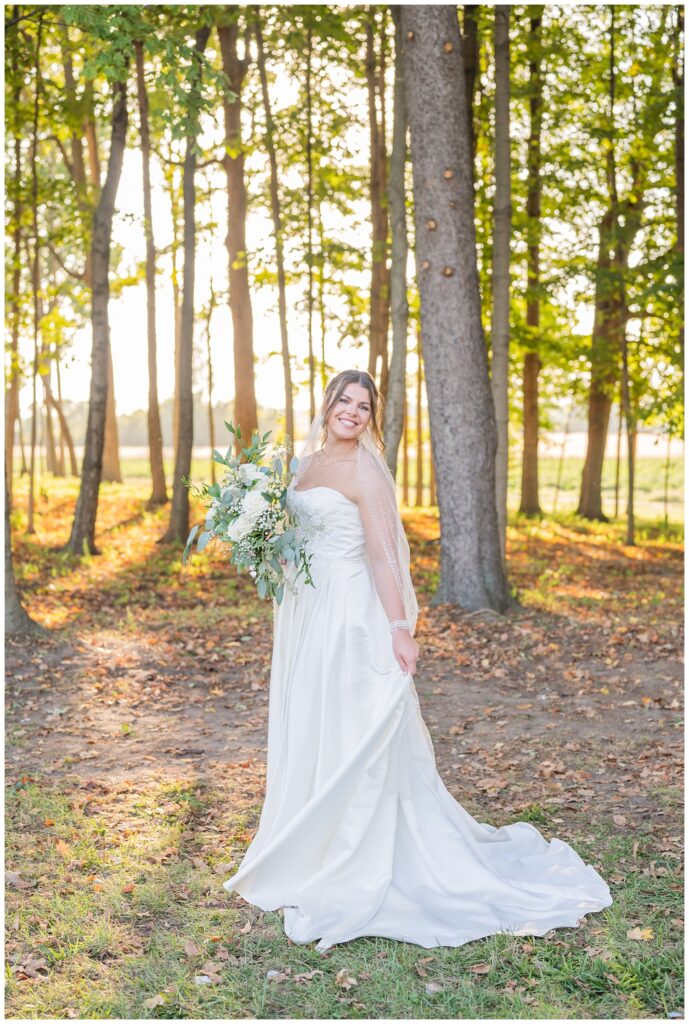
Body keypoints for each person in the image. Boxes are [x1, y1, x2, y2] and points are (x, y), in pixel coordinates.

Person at [223, 369, 613, 951]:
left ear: (371, 418)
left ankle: (355, 849)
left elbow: (384, 559)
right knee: (314, 720)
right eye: (345, 401)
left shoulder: (366, 472)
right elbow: (294, 539)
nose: (352, 412)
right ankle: (307, 838)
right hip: (304, 611)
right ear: (327, 404)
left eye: (363, 406)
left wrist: (399, 628)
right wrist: (259, 547)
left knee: (358, 727)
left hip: (352, 615)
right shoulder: (300, 468)